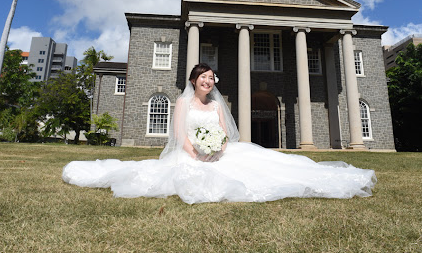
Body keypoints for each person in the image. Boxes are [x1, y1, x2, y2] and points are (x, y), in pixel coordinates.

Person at [62, 63, 376, 204]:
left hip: (221, 153)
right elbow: (179, 135)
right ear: (194, 80)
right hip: (190, 155)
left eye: (212, 78)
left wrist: (218, 148)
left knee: (268, 168)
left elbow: (227, 134)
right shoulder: (184, 102)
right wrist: (197, 152)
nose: (208, 82)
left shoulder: (217, 104)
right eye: (203, 78)